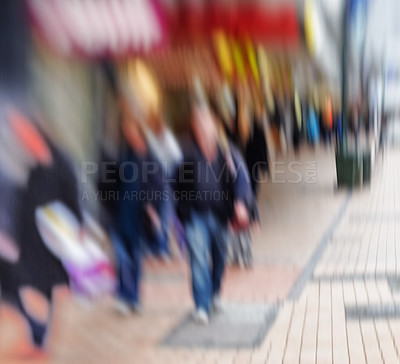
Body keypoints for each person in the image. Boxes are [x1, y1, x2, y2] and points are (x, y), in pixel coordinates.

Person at [175, 102, 234, 324]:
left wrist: (238, 207)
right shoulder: (187, 153)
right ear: (194, 127)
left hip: (219, 215)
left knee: (219, 258)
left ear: (214, 126)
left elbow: (236, 182)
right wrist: (183, 212)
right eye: (198, 123)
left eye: (206, 122)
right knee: (198, 260)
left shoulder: (225, 152)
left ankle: (215, 292)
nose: (203, 127)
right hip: (196, 217)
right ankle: (202, 305)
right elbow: (177, 184)